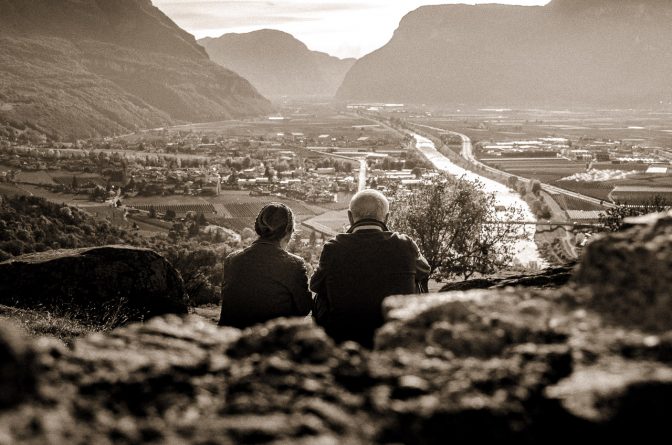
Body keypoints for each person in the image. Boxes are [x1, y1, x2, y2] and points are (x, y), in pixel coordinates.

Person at [310, 189, 430, 347]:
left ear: (350, 217)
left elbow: (315, 285)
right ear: (386, 217)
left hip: (345, 332)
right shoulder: (404, 243)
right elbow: (425, 270)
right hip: (395, 328)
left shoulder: (334, 247)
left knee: (322, 291)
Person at [218, 203, 312, 329]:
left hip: (232, 337)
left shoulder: (232, 260)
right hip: (270, 340)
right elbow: (304, 309)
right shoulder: (294, 265)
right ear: (288, 231)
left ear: (258, 227)